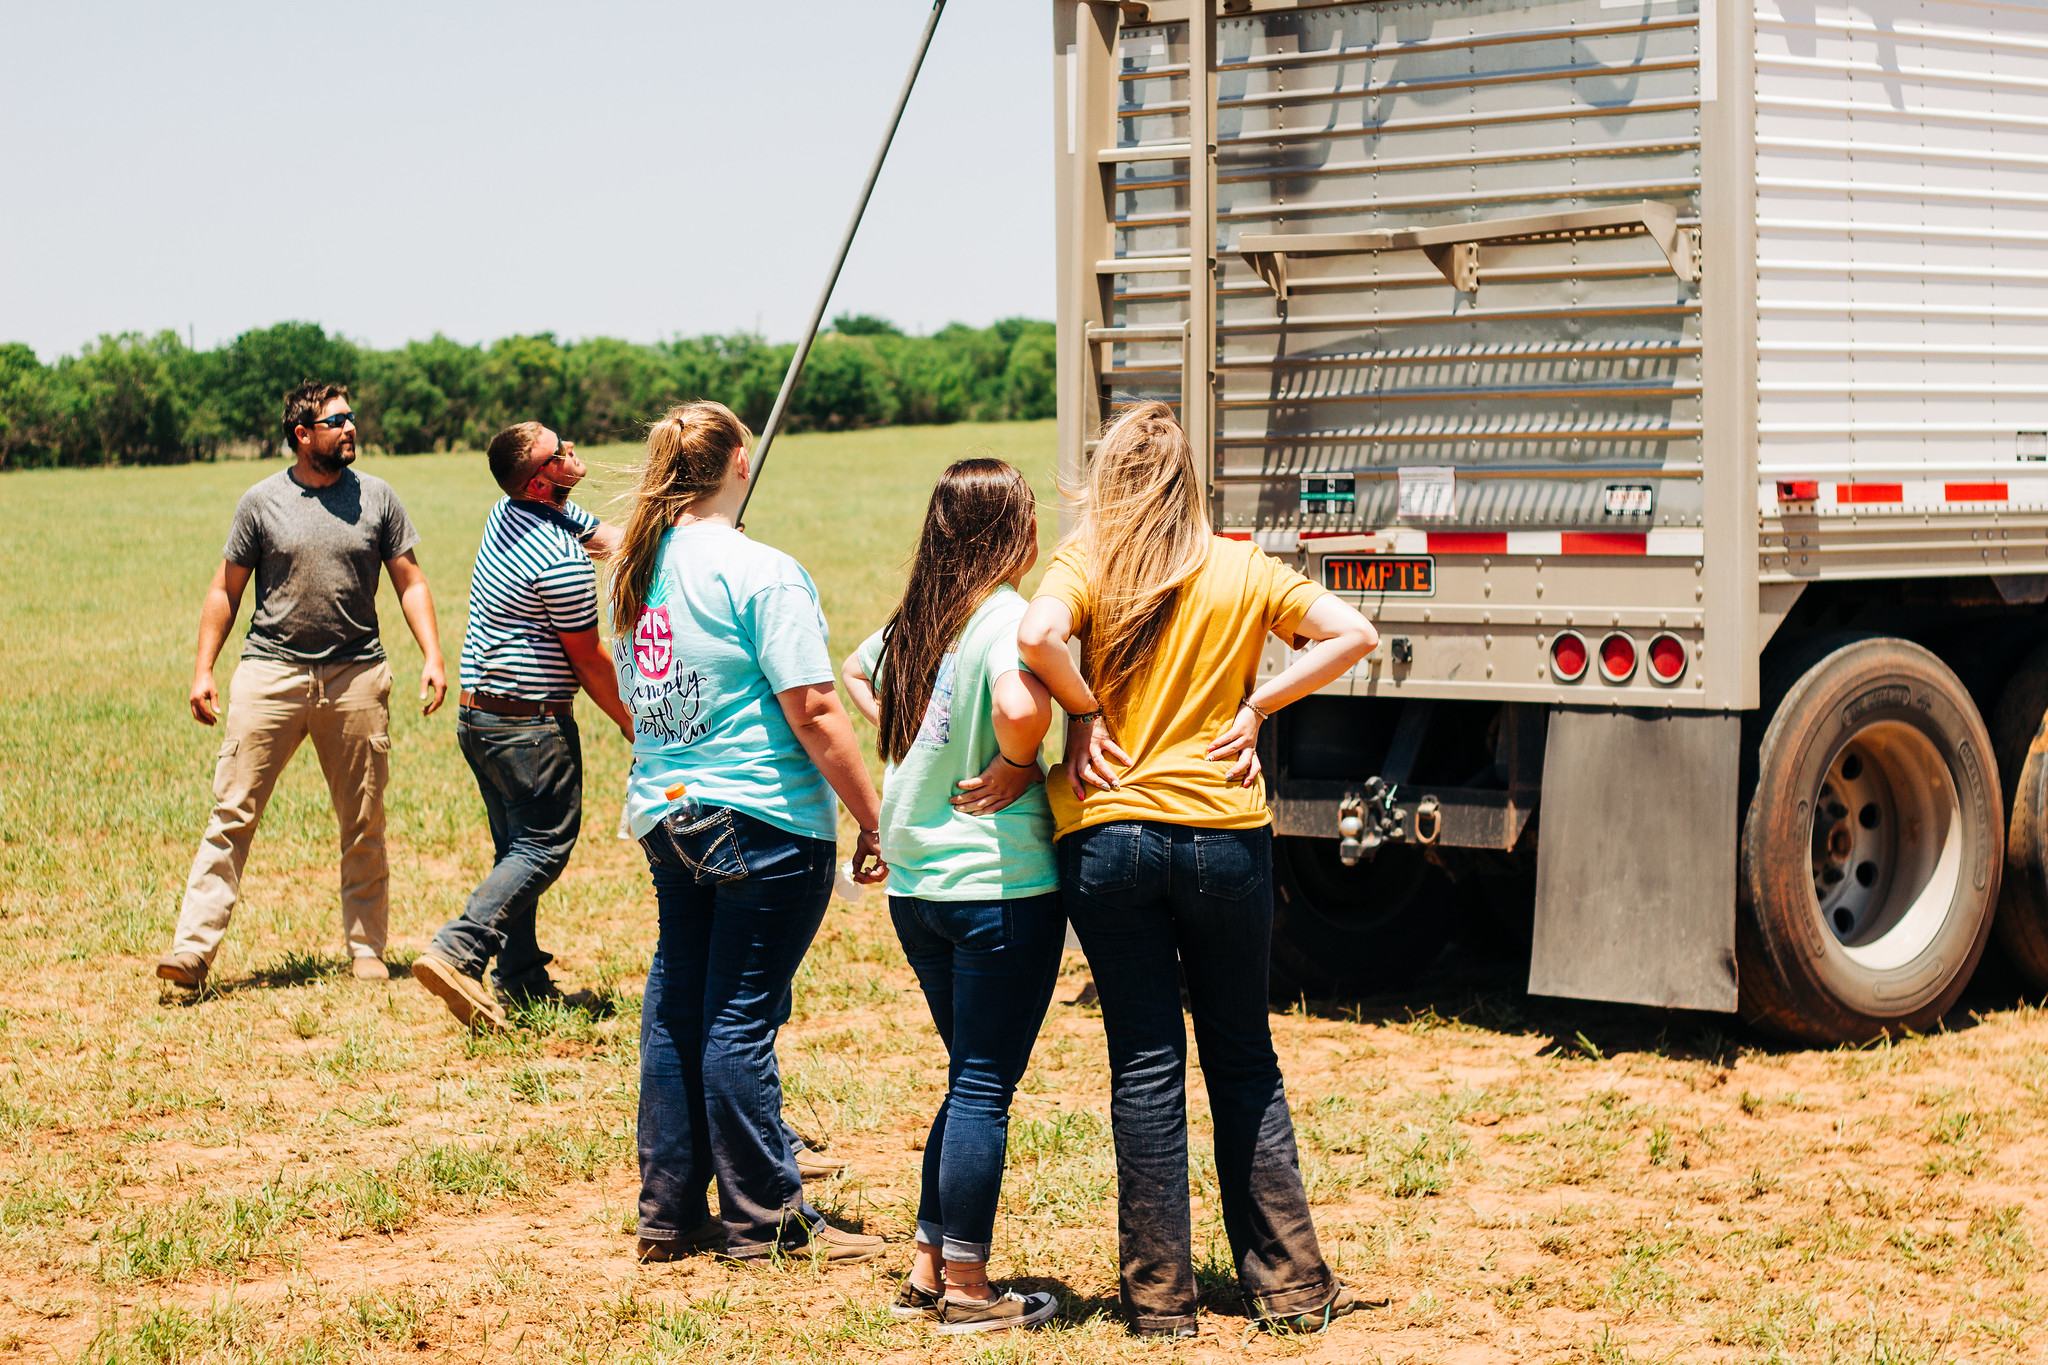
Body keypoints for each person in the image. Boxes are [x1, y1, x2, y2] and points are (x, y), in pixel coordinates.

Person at [1017, 401, 1379, 1338]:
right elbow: (1354, 633)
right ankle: (1292, 1287)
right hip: (1224, 832)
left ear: (1110, 477)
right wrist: (1258, 705)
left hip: (1108, 836)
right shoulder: (1241, 563)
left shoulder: (1087, 559)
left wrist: (1086, 708)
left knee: (1144, 1061)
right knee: (1242, 1054)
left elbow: (1036, 637)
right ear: (1190, 482)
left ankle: (1160, 1301)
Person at [612, 400, 889, 1264]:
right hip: (760, 815)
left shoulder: (636, 570)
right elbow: (812, 706)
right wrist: (872, 814)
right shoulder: (760, 570)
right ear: (741, 460)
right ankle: (765, 1218)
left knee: (679, 1008)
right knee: (739, 1016)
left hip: (667, 811)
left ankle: (670, 1209)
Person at [840, 459, 1062, 1335]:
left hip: (919, 885)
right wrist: (1014, 761)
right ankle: (971, 1290)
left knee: (968, 1071)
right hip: (997, 882)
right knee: (981, 1085)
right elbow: (1017, 703)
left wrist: (912, 744)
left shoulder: (922, 615)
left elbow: (858, 674)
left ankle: (929, 1265)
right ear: (1012, 530)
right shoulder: (1006, 615)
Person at [158, 380, 448, 992]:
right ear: (302, 434)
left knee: (364, 820)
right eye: (337, 420)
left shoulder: (378, 498)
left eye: (351, 419)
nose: (350, 429)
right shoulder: (260, 502)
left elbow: (410, 581)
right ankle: (192, 952)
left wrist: (431, 653)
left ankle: (368, 949)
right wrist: (204, 668)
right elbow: (226, 590)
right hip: (271, 674)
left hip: (356, 677)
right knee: (231, 813)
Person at [411, 422, 632, 1031]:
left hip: (480, 718)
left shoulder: (515, 512)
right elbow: (587, 659)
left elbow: (612, 537)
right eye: (557, 453)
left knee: (517, 846)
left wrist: (688, 540)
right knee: (543, 846)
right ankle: (458, 951)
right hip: (529, 728)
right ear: (542, 479)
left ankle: (522, 977)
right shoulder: (559, 560)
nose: (570, 451)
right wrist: (631, 720)